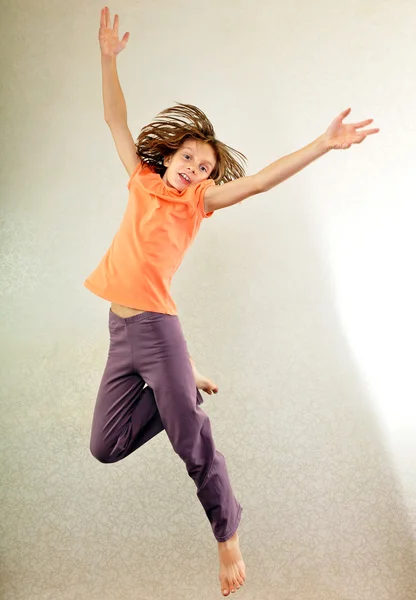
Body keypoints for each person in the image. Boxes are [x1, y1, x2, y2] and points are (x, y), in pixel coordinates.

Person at [85, 7, 379, 597]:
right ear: (166, 157)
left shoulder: (197, 205)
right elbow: (116, 120)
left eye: (204, 168)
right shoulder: (141, 179)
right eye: (188, 158)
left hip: (157, 328)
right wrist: (108, 60)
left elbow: (262, 180)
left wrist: (322, 144)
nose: (193, 170)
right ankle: (180, 384)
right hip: (120, 331)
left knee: (190, 437)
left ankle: (228, 535)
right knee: (105, 445)